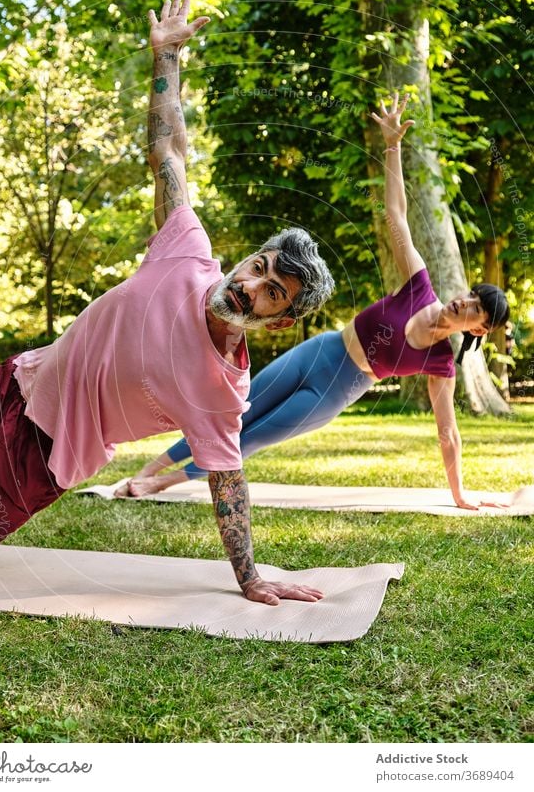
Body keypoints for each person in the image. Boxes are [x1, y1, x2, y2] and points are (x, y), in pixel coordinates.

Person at [0, 0, 334, 606]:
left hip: (52, 452)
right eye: (259, 268)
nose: (251, 286)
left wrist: (250, 576)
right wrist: (167, 55)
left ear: (276, 323)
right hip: (22, 379)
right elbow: (167, 153)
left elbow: (228, 484)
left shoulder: (221, 393)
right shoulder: (187, 249)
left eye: (271, 293)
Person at [122, 93, 510, 512]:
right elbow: (396, 217)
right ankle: (149, 468)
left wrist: (460, 494)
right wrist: (393, 146)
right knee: (232, 409)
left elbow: (446, 432)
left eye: (476, 309)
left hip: (338, 389)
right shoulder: (419, 286)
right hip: (320, 350)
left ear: (478, 329)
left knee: (250, 436)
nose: (464, 303)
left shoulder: (440, 364)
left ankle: (161, 485)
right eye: (471, 294)